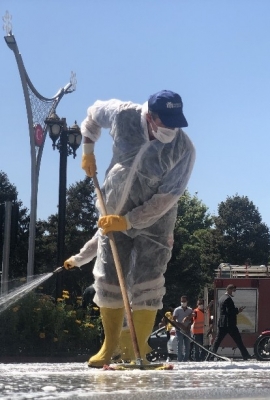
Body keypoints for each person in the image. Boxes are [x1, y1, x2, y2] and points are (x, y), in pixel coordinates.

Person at [74, 89, 195, 368]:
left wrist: (129, 221)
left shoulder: (183, 149)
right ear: (150, 116)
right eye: (166, 122)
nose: (171, 129)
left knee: (147, 282)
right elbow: (92, 117)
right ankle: (110, 345)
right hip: (113, 211)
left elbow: (167, 197)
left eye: (176, 122)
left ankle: (135, 346)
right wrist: (87, 151)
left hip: (155, 223)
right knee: (108, 279)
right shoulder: (123, 115)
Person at [209, 284, 251, 360]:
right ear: (229, 290)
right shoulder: (228, 299)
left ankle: (210, 356)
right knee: (238, 340)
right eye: (233, 290)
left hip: (222, 323)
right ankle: (246, 355)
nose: (234, 292)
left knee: (217, 341)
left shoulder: (221, 298)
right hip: (229, 323)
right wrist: (238, 310)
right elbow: (229, 311)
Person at [173, 296, 194, 362]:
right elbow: (174, 320)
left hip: (187, 330)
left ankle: (185, 360)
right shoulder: (177, 310)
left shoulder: (190, 310)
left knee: (187, 346)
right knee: (180, 345)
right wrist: (180, 325)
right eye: (182, 301)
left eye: (184, 301)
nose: (183, 302)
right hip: (179, 330)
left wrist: (189, 325)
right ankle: (179, 360)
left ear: (187, 301)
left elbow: (192, 319)